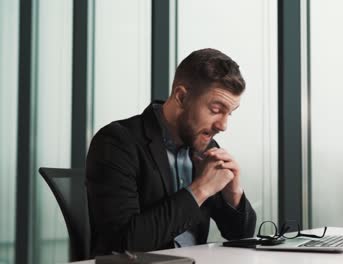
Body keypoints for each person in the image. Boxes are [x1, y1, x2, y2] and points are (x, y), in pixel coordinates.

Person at [86, 48, 257, 256]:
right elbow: (124, 242)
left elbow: (240, 235)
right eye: (215, 110)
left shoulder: (207, 148)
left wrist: (234, 196)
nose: (223, 126)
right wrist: (200, 190)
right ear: (181, 97)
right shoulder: (117, 142)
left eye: (229, 113)